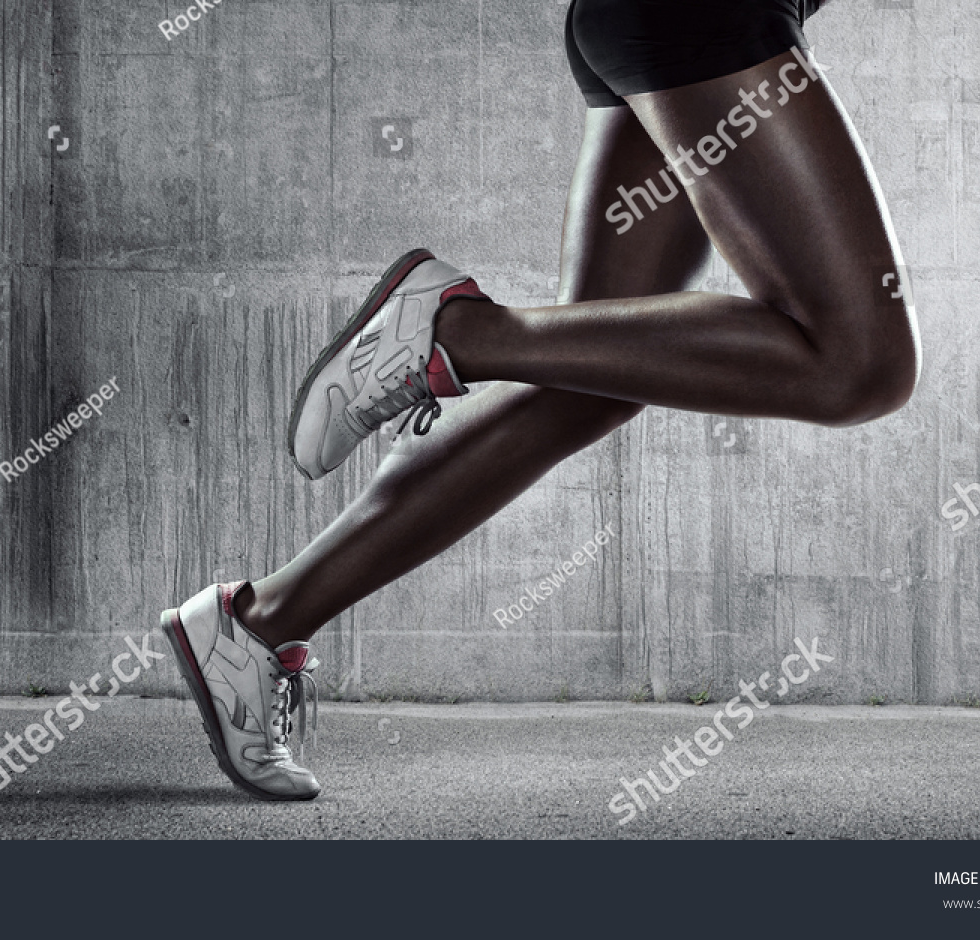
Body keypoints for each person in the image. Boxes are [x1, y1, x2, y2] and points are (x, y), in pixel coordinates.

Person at [162, 0, 919, 801]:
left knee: (593, 382)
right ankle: (460, 332)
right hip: (706, 22)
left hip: (665, 26)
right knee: (859, 364)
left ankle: (259, 623)